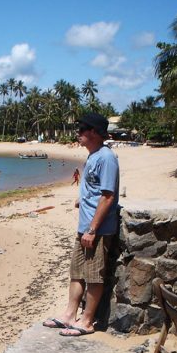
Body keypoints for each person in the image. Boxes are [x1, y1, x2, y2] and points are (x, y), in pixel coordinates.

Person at [43, 112, 119, 336]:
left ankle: (86, 321)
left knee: (94, 275)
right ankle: (69, 315)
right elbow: (96, 190)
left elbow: (108, 196)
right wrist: (82, 199)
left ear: (94, 132)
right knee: (76, 272)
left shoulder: (106, 157)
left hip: (97, 230)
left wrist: (93, 229)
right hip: (84, 228)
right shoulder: (93, 155)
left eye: (82, 129)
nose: (79, 134)